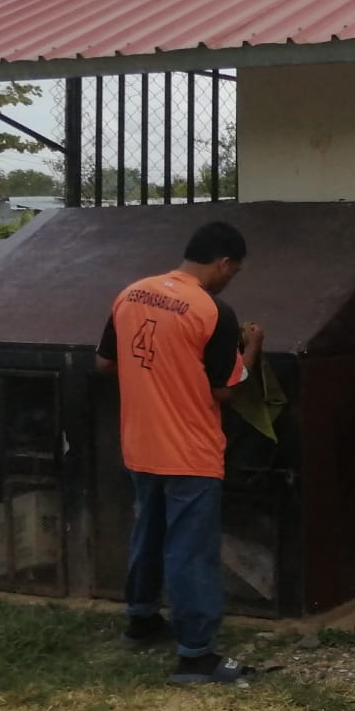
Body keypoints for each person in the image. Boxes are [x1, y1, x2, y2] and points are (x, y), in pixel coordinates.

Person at [97, 221, 263, 684]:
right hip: (190, 450)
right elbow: (227, 390)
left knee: (147, 532)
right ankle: (195, 655)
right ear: (223, 262)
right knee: (191, 551)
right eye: (235, 270)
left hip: (140, 443)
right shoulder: (212, 310)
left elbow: (105, 362)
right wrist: (252, 350)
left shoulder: (131, 294)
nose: (232, 277)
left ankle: (142, 620)